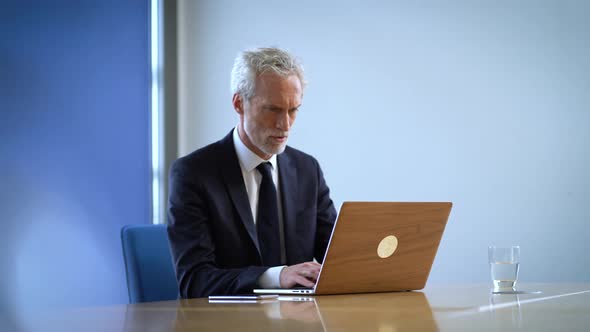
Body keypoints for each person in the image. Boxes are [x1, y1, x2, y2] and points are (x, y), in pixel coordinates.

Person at [167, 47, 337, 298]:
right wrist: (277, 276)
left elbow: (338, 260)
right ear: (239, 103)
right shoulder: (193, 174)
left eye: (293, 110)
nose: (285, 125)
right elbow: (194, 280)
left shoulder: (307, 169)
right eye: (273, 110)